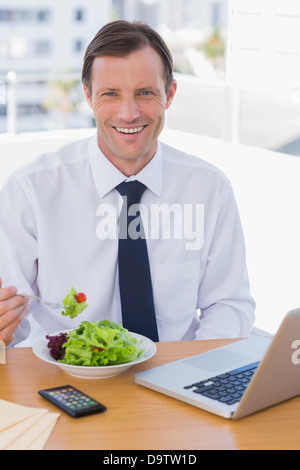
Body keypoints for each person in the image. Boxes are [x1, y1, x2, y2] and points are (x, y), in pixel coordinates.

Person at [0, 20, 255, 347]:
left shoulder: (209, 189)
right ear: (88, 96)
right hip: (62, 379)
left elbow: (228, 304)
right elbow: (13, 325)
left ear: (170, 94)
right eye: (111, 94)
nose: (129, 113)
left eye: (145, 93)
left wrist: (195, 370)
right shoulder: (29, 193)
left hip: (175, 373)